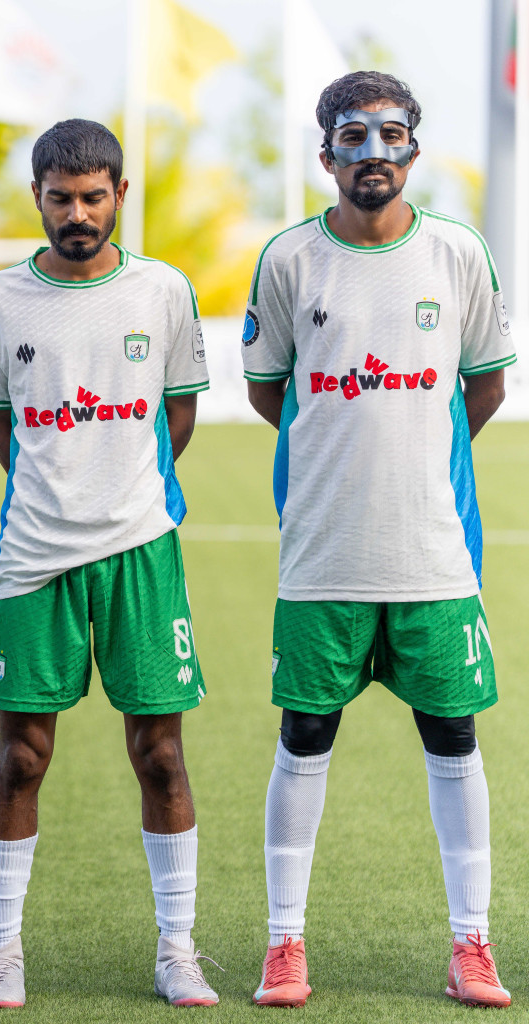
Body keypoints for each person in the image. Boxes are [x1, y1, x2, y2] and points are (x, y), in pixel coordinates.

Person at [243, 72, 515, 1009]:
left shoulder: (457, 253)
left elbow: (484, 385)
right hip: (323, 553)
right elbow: (269, 391)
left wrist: (417, 454)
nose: (373, 152)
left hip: (434, 552)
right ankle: (284, 943)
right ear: (326, 154)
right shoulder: (289, 260)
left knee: (454, 736)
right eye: (353, 136)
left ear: (414, 149)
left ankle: (472, 943)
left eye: (391, 134)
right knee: (304, 734)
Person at [0, 119, 217, 1009]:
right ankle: (2, 953)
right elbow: (1, 424)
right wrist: (60, 489)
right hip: (35, 557)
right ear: (37, 197)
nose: (78, 214)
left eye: (93, 197)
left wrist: (123, 488)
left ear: (119, 195)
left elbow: (178, 415)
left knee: (161, 755)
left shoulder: (163, 291)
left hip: (142, 552)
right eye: (61, 198)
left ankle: (178, 950)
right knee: (21, 757)